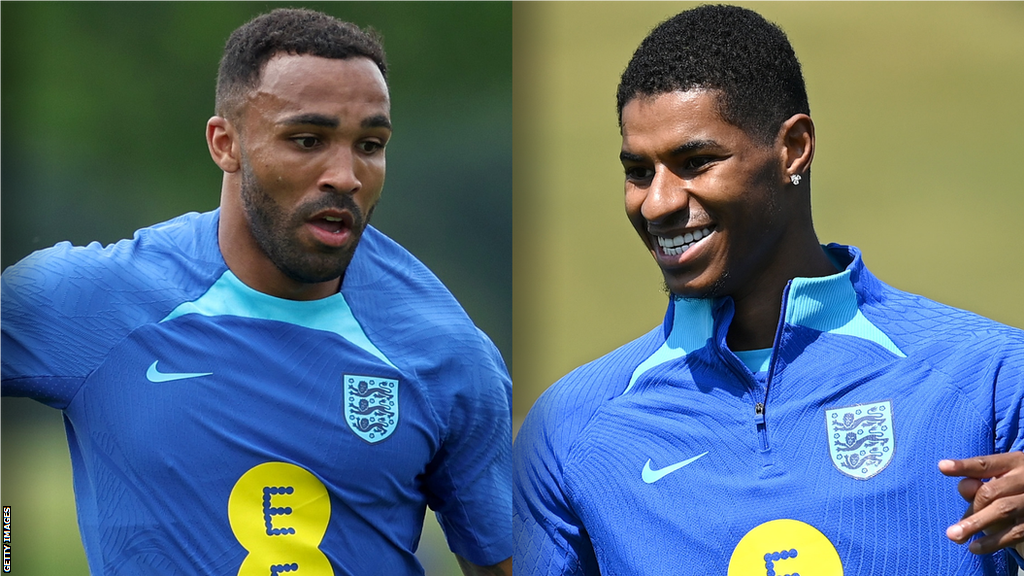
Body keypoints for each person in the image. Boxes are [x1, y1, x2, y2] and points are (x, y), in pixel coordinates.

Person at [513, 5, 1024, 574]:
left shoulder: (992, 380)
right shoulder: (571, 429)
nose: (656, 203)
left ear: (793, 149)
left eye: (696, 161)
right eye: (638, 171)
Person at [0, 8, 511, 576]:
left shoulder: (448, 351)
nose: (345, 175)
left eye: (369, 144)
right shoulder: (94, 301)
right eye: (307, 139)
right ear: (226, 144)